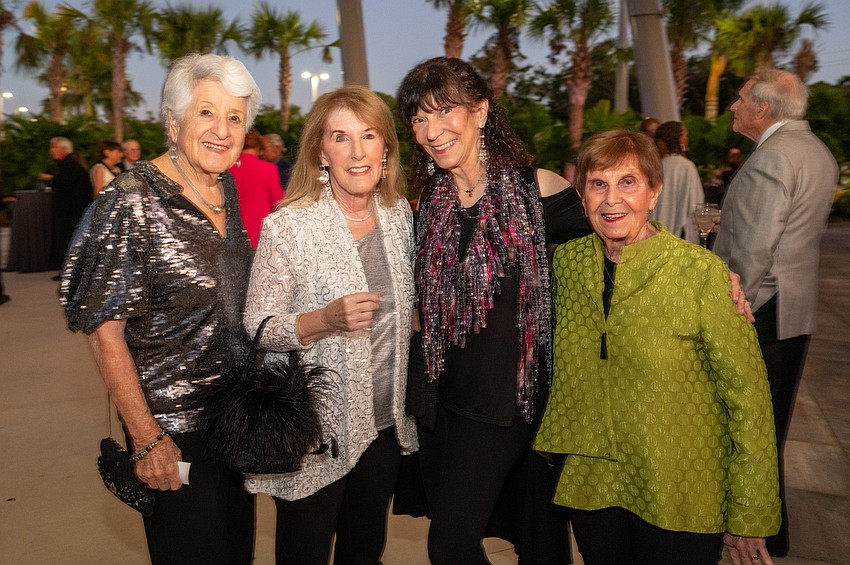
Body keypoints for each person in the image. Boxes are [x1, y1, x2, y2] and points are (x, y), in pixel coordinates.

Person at [535, 129, 781, 565]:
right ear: (582, 195)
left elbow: (750, 401)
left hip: (681, 490)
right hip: (594, 482)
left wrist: (750, 513)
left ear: (654, 192)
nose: (612, 200)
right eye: (598, 184)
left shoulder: (701, 274)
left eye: (627, 182)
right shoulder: (567, 264)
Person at [59, 53, 260, 564]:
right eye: (207, 113)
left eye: (235, 117)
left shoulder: (224, 188)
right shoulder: (130, 202)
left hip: (234, 423)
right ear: (173, 121)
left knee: (236, 552)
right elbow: (105, 333)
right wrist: (148, 440)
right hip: (175, 431)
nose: (222, 130)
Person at [395, 57, 589, 564]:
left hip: (505, 402)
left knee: (449, 545)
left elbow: (616, 244)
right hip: (442, 401)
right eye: (418, 119)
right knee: (461, 534)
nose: (431, 132)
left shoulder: (537, 190)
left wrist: (716, 274)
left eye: (444, 112)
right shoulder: (431, 199)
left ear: (480, 112)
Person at [242, 85, 418, 565]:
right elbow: (257, 324)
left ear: (386, 148)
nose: (357, 152)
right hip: (316, 433)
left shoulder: (399, 215)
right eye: (341, 138)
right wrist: (322, 320)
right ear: (321, 150)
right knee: (305, 552)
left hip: (384, 427)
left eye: (369, 135)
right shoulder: (290, 227)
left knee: (364, 551)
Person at [714, 69, 839, 557]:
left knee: (750, 430)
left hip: (764, 311)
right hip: (796, 311)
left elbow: (751, 256)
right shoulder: (817, 152)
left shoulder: (772, 158)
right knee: (771, 426)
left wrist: (731, 310)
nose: (733, 106)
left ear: (762, 108)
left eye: (740, 98)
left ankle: (754, 529)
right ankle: (773, 529)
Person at [38, 137, 92, 273]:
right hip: (73, 211)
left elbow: (65, 183)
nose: (52, 151)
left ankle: (69, 271)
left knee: (68, 240)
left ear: (64, 149)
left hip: (70, 212)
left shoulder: (69, 165)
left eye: (54, 147)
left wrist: (51, 180)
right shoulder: (70, 163)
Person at [650, 121, 704, 244]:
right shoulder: (687, 166)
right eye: (686, 136)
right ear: (680, 139)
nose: (687, 139)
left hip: (655, 231)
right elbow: (696, 202)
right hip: (680, 235)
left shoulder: (656, 165)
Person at [229, 127, 284, 247]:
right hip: (259, 234)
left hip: (229, 232)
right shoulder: (268, 169)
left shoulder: (224, 168)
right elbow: (278, 202)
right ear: (259, 147)